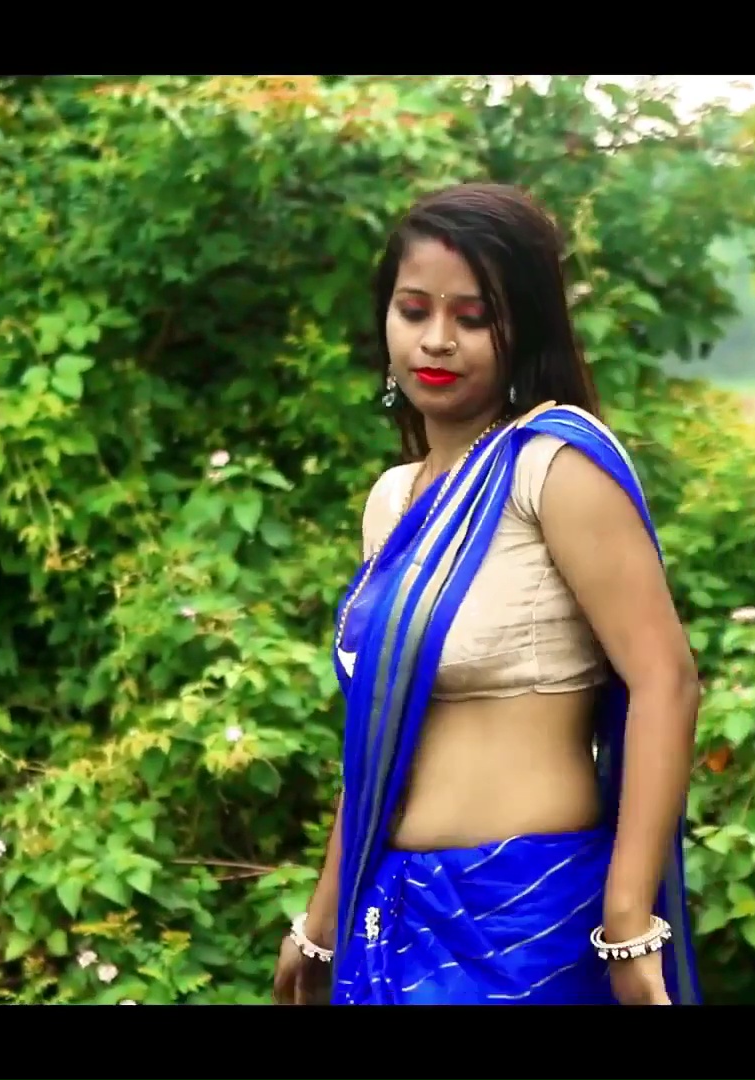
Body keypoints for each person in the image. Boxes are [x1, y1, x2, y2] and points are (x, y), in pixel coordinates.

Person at [270, 182, 703, 1007]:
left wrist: (627, 919)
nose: (437, 339)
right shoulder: (393, 500)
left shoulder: (552, 468)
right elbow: (378, 742)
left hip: (526, 918)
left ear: (523, 327)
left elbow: (666, 682)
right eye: (413, 310)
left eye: (473, 318)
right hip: (392, 911)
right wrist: (321, 925)